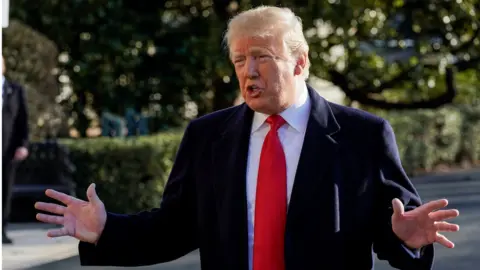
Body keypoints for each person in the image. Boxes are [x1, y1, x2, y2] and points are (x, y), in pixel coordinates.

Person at [34, 6, 460, 269]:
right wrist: (107, 229)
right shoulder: (207, 137)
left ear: (300, 62)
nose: (248, 71)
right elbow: (175, 229)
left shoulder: (362, 135)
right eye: (239, 59)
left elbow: (391, 230)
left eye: (262, 57)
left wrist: (404, 238)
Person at [2, 56, 29, 244]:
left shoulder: (15, 90)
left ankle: (1, 230)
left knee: (4, 191)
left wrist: (23, 145)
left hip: (7, 151)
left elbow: (23, 122)